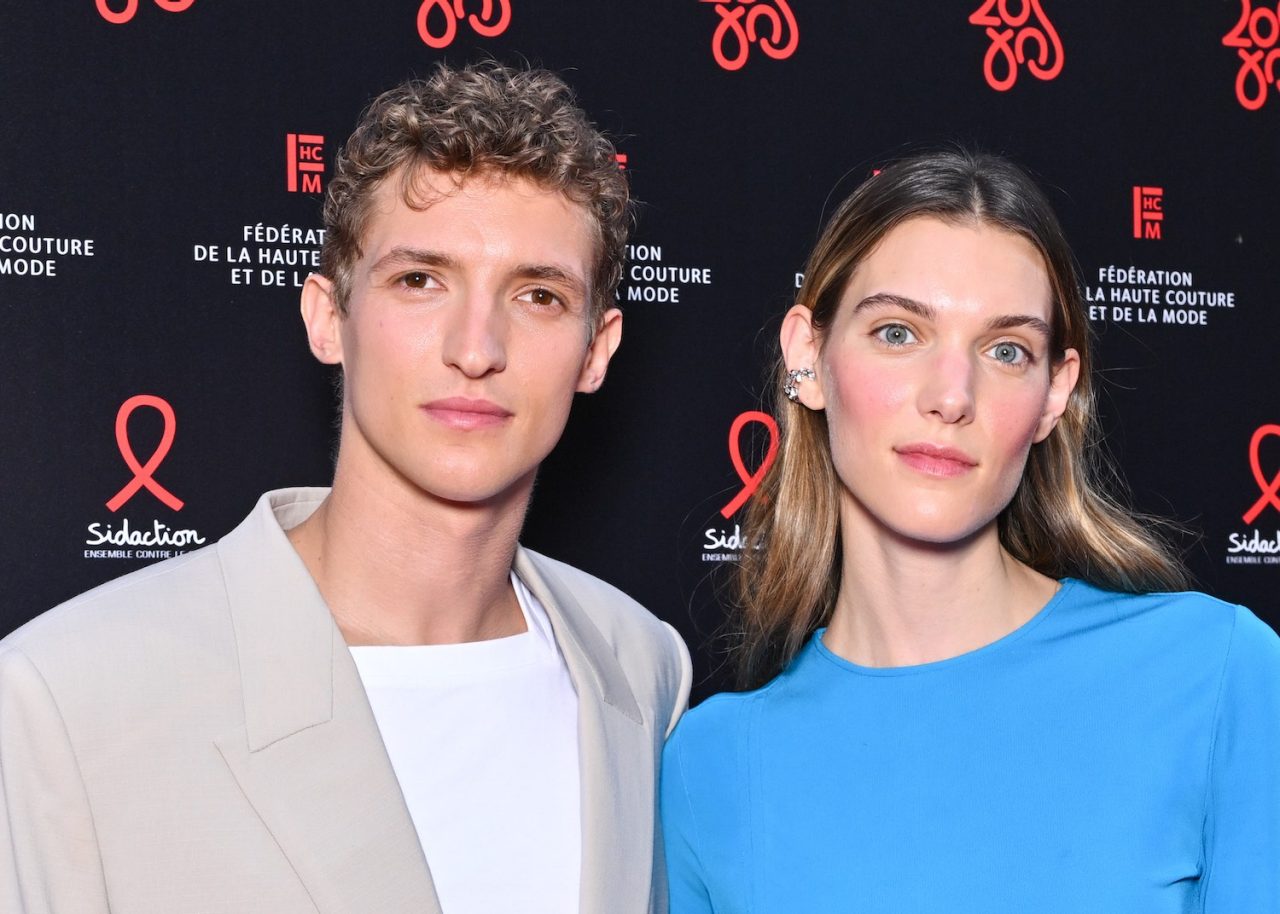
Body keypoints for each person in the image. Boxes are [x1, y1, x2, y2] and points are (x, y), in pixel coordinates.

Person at [1, 62, 690, 914]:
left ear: (597, 350)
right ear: (329, 317)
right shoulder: (68, 696)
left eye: (538, 295)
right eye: (419, 280)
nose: (476, 348)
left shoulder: (637, 665)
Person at [660, 149, 1280, 912]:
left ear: (1055, 394)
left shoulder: (1215, 678)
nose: (952, 397)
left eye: (1006, 350)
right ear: (808, 358)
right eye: (898, 332)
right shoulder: (711, 767)